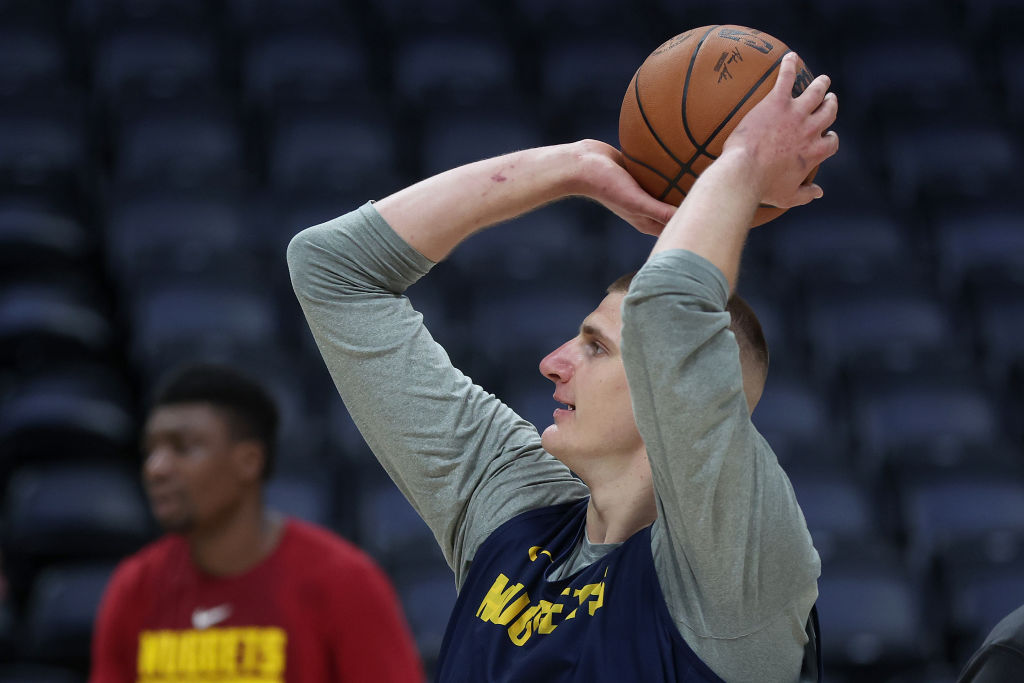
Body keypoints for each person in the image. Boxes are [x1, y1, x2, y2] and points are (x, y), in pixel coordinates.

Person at [287, 52, 838, 682]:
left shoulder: (738, 570)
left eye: (596, 347)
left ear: (676, 389)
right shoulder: (514, 511)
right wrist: (573, 168)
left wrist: (744, 161)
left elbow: (670, 312)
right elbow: (333, 272)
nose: (552, 364)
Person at [89, 363, 424, 683]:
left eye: (183, 447)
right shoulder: (135, 587)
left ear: (249, 461)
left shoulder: (345, 582)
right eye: (150, 450)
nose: (156, 469)